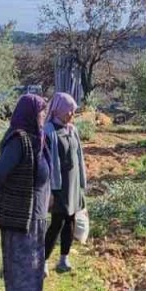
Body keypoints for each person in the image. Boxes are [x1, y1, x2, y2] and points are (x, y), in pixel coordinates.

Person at [0, 93, 54, 291]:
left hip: (31, 215)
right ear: (29, 114)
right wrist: (12, 198)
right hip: (24, 217)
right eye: (40, 113)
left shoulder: (35, 138)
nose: (43, 117)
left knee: (19, 268)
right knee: (28, 269)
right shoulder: (20, 140)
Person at [44, 92, 87, 274]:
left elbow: (79, 157)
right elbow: (46, 162)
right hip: (58, 185)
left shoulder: (72, 130)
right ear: (58, 110)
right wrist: (50, 191)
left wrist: (82, 184)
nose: (71, 114)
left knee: (71, 219)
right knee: (57, 222)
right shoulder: (47, 132)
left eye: (73, 111)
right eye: (68, 110)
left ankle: (64, 259)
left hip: (73, 183)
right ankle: (43, 261)